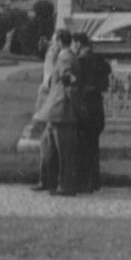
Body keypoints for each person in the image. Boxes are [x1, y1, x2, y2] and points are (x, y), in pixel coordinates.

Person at [32, 30, 81, 196]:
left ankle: (65, 185)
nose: (52, 44)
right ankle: (48, 181)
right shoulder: (63, 56)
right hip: (55, 110)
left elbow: (69, 78)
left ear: (60, 41)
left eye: (54, 41)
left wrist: (72, 102)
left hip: (62, 110)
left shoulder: (65, 58)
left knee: (63, 151)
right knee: (47, 147)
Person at [73, 32, 112, 193]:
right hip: (97, 107)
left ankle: (84, 181)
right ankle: (94, 181)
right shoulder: (100, 60)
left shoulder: (80, 61)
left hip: (84, 107)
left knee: (83, 146)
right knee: (93, 146)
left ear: (79, 44)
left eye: (75, 44)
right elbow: (105, 85)